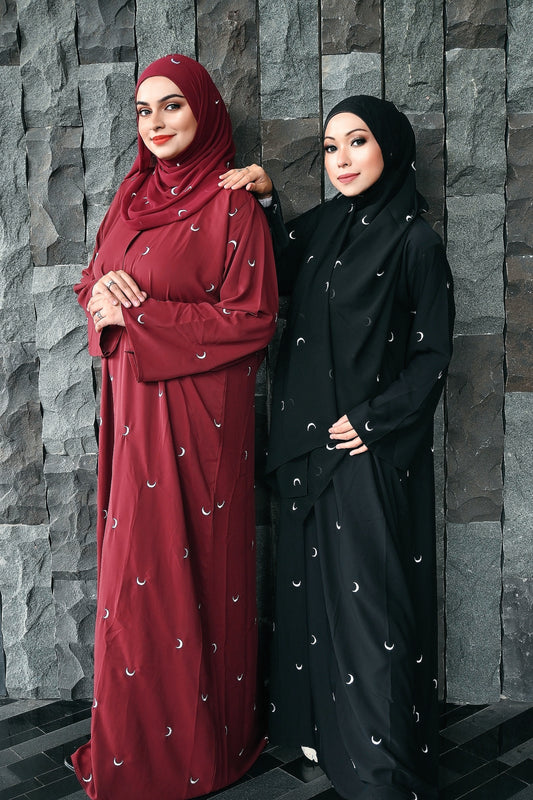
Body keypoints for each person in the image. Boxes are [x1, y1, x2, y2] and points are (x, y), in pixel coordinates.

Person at [219, 95, 454, 799]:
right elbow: (274, 271)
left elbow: (431, 356)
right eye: (330, 147)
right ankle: (322, 730)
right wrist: (266, 202)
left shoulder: (415, 242)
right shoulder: (323, 226)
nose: (341, 160)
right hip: (305, 450)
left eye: (357, 142)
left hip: (365, 453)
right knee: (310, 600)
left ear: (391, 148)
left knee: (369, 611)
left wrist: (375, 420)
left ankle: (380, 766)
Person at [69, 54, 278, 800]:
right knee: (135, 578)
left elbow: (253, 320)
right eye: (143, 110)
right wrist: (103, 296)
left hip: (199, 426)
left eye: (172, 107)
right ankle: (134, 741)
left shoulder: (232, 206)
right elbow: (93, 285)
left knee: (194, 575)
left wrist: (141, 316)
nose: (155, 123)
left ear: (205, 113)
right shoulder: (128, 198)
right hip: (132, 418)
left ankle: (201, 747)